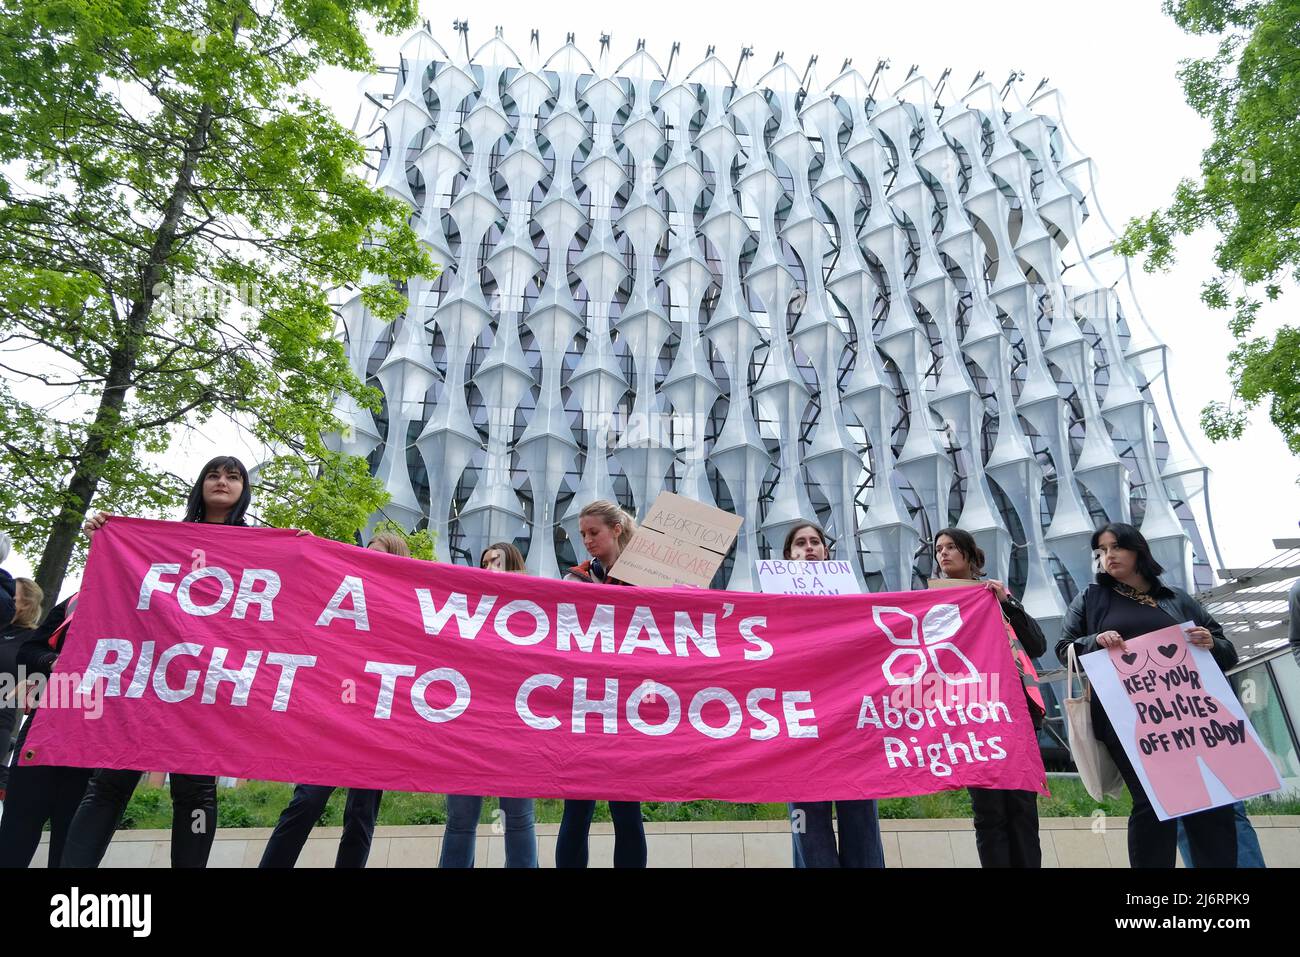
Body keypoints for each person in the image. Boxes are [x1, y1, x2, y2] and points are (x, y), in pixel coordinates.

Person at [60, 455, 299, 868]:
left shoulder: (263, 547)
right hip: (149, 678)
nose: (222, 482)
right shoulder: (162, 539)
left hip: (205, 686)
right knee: (109, 782)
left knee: (195, 790)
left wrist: (303, 552)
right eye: (213, 474)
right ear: (201, 483)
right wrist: (105, 532)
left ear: (244, 488)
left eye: (233, 476)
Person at [1055, 522, 1239, 868]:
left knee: (1211, 801)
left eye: (1115, 548)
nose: (1108, 556)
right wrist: (1094, 641)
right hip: (1126, 719)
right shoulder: (1091, 598)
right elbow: (1063, 648)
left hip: (1190, 716)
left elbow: (1228, 652)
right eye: (1101, 551)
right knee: (1154, 800)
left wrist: (1211, 642)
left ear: (1137, 550)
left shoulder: (1176, 598)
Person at [258, 530, 411, 869]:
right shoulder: (343, 595)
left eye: (377, 552)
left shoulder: (406, 607)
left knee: (360, 817)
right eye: (365, 550)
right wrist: (313, 547)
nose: (366, 556)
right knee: (305, 802)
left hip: (377, 724)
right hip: (334, 720)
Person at [931, 528, 1046, 868]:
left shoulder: (995, 594)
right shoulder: (932, 602)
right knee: (988, 810)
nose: (944, 554)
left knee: (1022, 807)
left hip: (1016, 711)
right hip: (971, 713)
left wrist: (1006, 602)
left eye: (952, 547)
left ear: (969, 554)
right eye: (939, 549)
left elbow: (1037, 645)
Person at [784, 520, 886, 868]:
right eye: (800, 543)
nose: (809, 547)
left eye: (816, 542)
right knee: (805, 827)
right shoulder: (767, 604)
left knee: (861, 823)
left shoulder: (853, 601)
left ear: (827, 553)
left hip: (851, 728)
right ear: (787, 555)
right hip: (798, 732)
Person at [555, 501, 647, 868]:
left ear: (617, 530)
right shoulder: (573, 580)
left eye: (594, 533)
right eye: (583, 535)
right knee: (576, 812)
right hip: (586, 709)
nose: (587, 541)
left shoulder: (647, 580)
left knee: (627, 813)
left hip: (629, 711)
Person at [439, 542, 538, 868]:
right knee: (460, 821)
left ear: (515, 567)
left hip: (515, 732)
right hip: (468, 729)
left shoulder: (535, 613)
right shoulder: (464, 608)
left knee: (518, 820)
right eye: (483, 563)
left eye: (496, 561)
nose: (488, 568)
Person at [0, 594, 95, 867]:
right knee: (17, 827)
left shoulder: (151, 605)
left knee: (70, 840)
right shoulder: (74, 602)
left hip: (97, 739)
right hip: (45, 726)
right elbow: (28, 652)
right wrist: (52, 662)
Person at [0, 578, 44, 797]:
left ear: (25, 603)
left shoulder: (31, 638)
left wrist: (7, 696)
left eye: (11, 596)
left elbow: (34, 680)